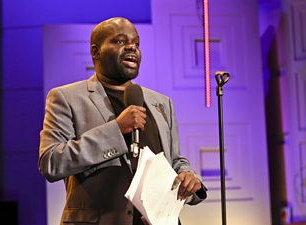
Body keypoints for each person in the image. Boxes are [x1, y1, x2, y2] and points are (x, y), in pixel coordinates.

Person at [39, 17, 207, 225]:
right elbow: (51, 162)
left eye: (136, 43)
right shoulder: (66, 97)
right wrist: (116, 130)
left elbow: (173, 160)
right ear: (95, 51)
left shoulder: (161, 103)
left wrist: (187, 176)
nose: (131, 47)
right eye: (119, 41)